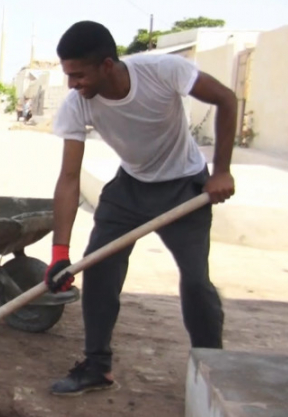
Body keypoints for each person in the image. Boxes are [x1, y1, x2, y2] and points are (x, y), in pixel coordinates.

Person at [44, 21, 237, 396]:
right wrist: (59, 253)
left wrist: (223, 170)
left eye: (78, 75)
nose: (72, 85)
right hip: (129, 190)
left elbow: (227, 99)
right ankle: (97, 366)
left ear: (107, 66)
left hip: (185, 187)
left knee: (197, 283)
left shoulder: (164, 71)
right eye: (68, 75)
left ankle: (213, 370)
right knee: (98, 270)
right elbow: (69, 179)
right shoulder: (76, 105)